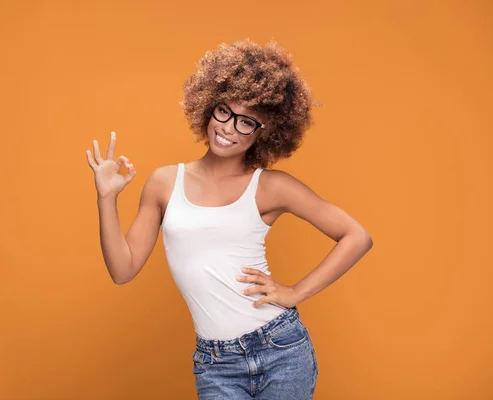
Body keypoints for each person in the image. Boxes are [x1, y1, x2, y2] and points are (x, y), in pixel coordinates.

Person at [85, 39, 373, 399]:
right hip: (216, 363)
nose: (229, 128)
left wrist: (294, 292)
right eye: (224, 111)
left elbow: (356, 236)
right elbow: (122, 270)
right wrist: (107, 198)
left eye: (246, 122)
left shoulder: (270, 187)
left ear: (264, 132)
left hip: (280, 350)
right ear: (208, 106)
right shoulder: (163, 182)